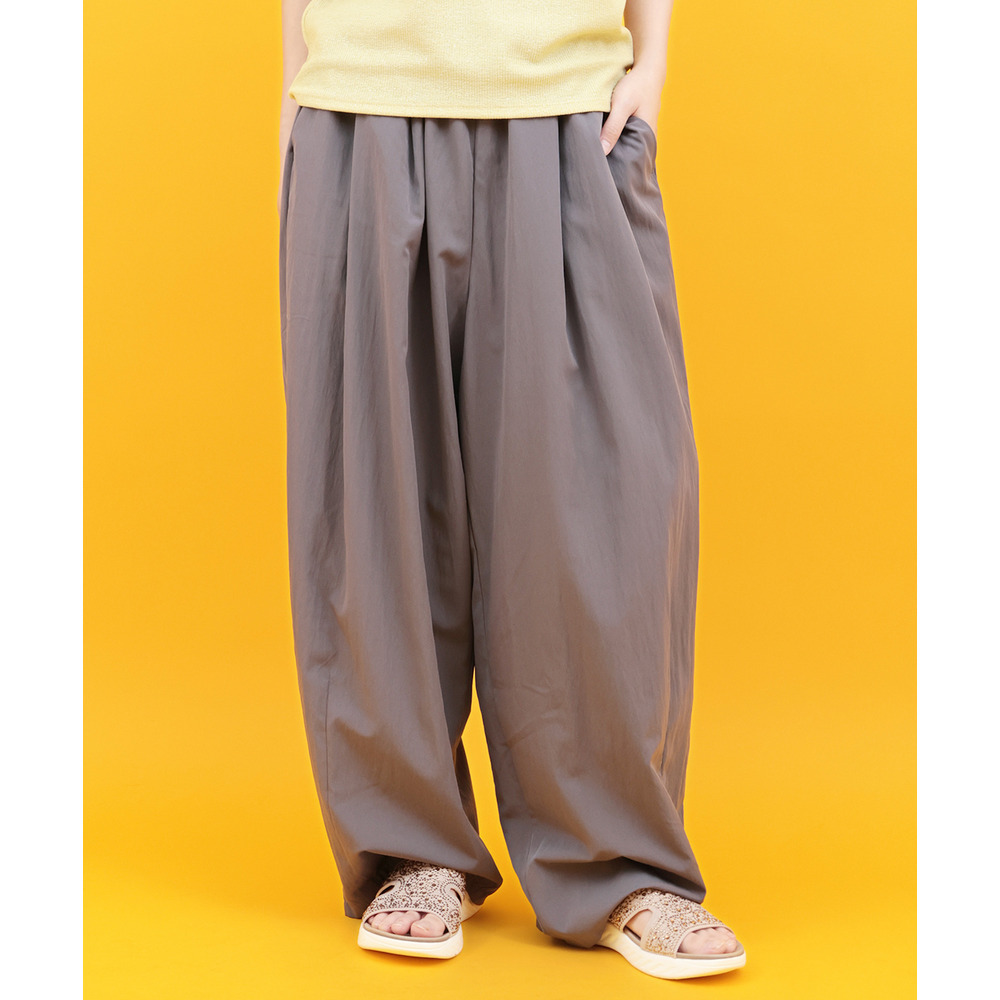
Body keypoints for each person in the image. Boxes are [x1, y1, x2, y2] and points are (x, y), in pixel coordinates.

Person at [277, 0, 745, 981]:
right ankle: (410, 848)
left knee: (601, 507)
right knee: (375, 511)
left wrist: (653, 61)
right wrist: (298, 88)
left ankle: (621, 860)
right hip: (361, 102)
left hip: (568, 107)